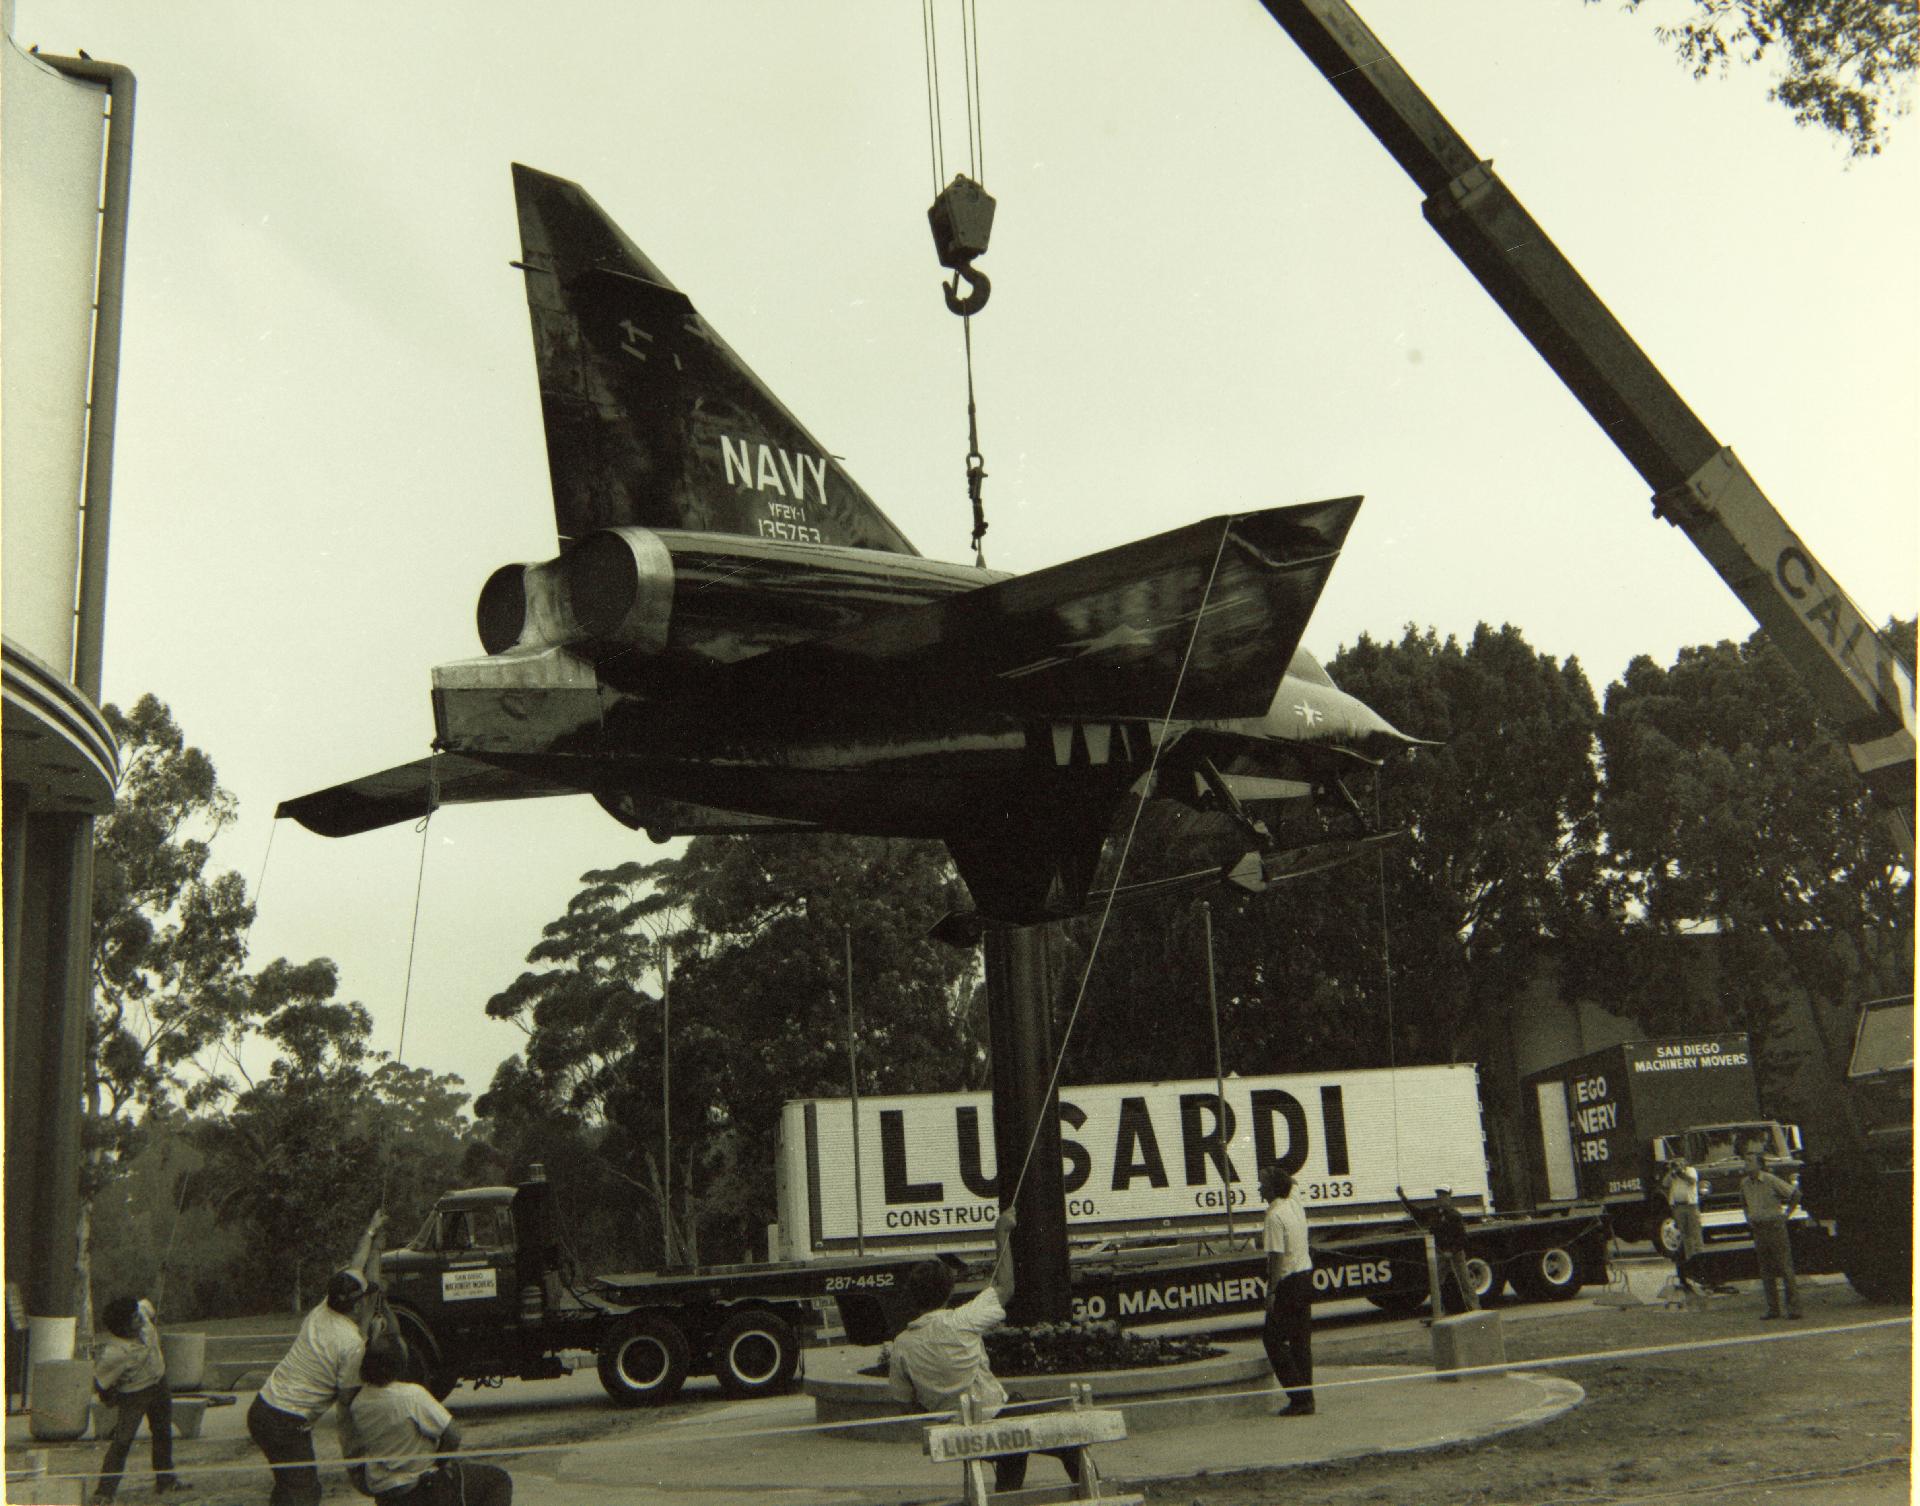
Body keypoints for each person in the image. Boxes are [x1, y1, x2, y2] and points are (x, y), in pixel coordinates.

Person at [887, 1207, 1081, 1494]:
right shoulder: (962, 1320)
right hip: (997, 1421)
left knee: (1012, 1439)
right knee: (1070, 1437)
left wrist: (943, 1411)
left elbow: (905, 1404)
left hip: (956, 1433)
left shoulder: (902, 1345)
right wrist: (1001, 1233)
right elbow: (1005, 1287)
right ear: (948, 1292)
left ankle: (1006, 1497)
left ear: (913, 1297)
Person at [248, 1210, 387, 1505]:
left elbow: (355, 1264)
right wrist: (373, 1339)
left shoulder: (324, 1309)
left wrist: (371, 1230)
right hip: (286, 1420)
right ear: (356, 1305)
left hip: (262, 1408)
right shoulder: (350, 1345)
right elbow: (347, 1399)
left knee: (289, 1487)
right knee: (305, 1493)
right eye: (364, 1297)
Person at [347, 1334, 511, 1503]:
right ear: (399, 1364)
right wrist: (440, 1462)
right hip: (421, 1487)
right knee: (498, 1479)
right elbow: (453, 1434)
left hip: (386, 1491)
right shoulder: (411, 1395)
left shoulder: (358, 1404)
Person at [90, 1295, 187, 1502]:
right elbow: (100, 1382)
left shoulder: (141, 1311)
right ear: (122, 1327)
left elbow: (148, 1305)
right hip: (134, 1394)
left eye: (137, 1314)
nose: (140, 1319)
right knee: (123, 1441)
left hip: (159, 1382)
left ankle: (166, 1480)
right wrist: (110, 1397)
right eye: (134, 1319)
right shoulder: (114, 1352)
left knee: (162, 1432)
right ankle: (104, 1492)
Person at [1261, 1163, 1315, 1416]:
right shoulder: (1295, 1204)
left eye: (1263, 1183)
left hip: (1288, 1284)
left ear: (1273, 1188)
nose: (1259, 1188)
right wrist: (1277, 1174)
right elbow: (1293, 1183)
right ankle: (1307, 1398)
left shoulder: (1273, 1217)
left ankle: (1298, 1395)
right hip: (1305, 1278)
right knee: (1300, 1342)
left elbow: (1276, 1259)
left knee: (1272, 1339)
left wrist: (1271, 1292)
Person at [1739, 1150, 1803, 1320]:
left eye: (1750, 1161)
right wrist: (1748, 1218)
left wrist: (1787, 1214)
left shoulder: (1770, 1180)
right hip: (1758, 1228)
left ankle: (1794, 1308)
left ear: (1759, 1164)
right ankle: (1773, 1308)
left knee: (1784, 1267)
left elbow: (1795, 1193)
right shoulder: (1745, 1183)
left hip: (1774, 1226)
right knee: (1766, 1270)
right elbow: (1744, 1203)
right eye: (1746, 1160)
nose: (1746, 1164)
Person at [1397, 1185, 1480, 1313]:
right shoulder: (1433, 1212)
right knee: (1436, 1283)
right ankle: (1438, 1311)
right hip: (1440, 1253)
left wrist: (1451, 1251)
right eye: (1438, 1196)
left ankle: (1475, 1309)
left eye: (1443, 1196)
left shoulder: (1455, 1216)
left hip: (1455, 1254)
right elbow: (1416, 1213)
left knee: (1464, 1282)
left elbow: (1462, 1238)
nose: (1440, 1199)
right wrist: (1403, 1197)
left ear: (1449, 1198)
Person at [1662, 1159, 1706, 1294]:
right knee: (1684, 1236)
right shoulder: (1674, 1174)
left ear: (1685, 1164)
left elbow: (1692, 1181)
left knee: (1695, 1234)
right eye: (1676, 1164)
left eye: (1680, 1163)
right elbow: (1665, 1184)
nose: (1677, 1166)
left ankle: (1701, 1263)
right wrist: (1671, 1172)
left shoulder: (1690, 1171)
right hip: (1678, 1206)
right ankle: (1689, 1263)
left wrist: (1680, 1172)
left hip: (1690, 1206)